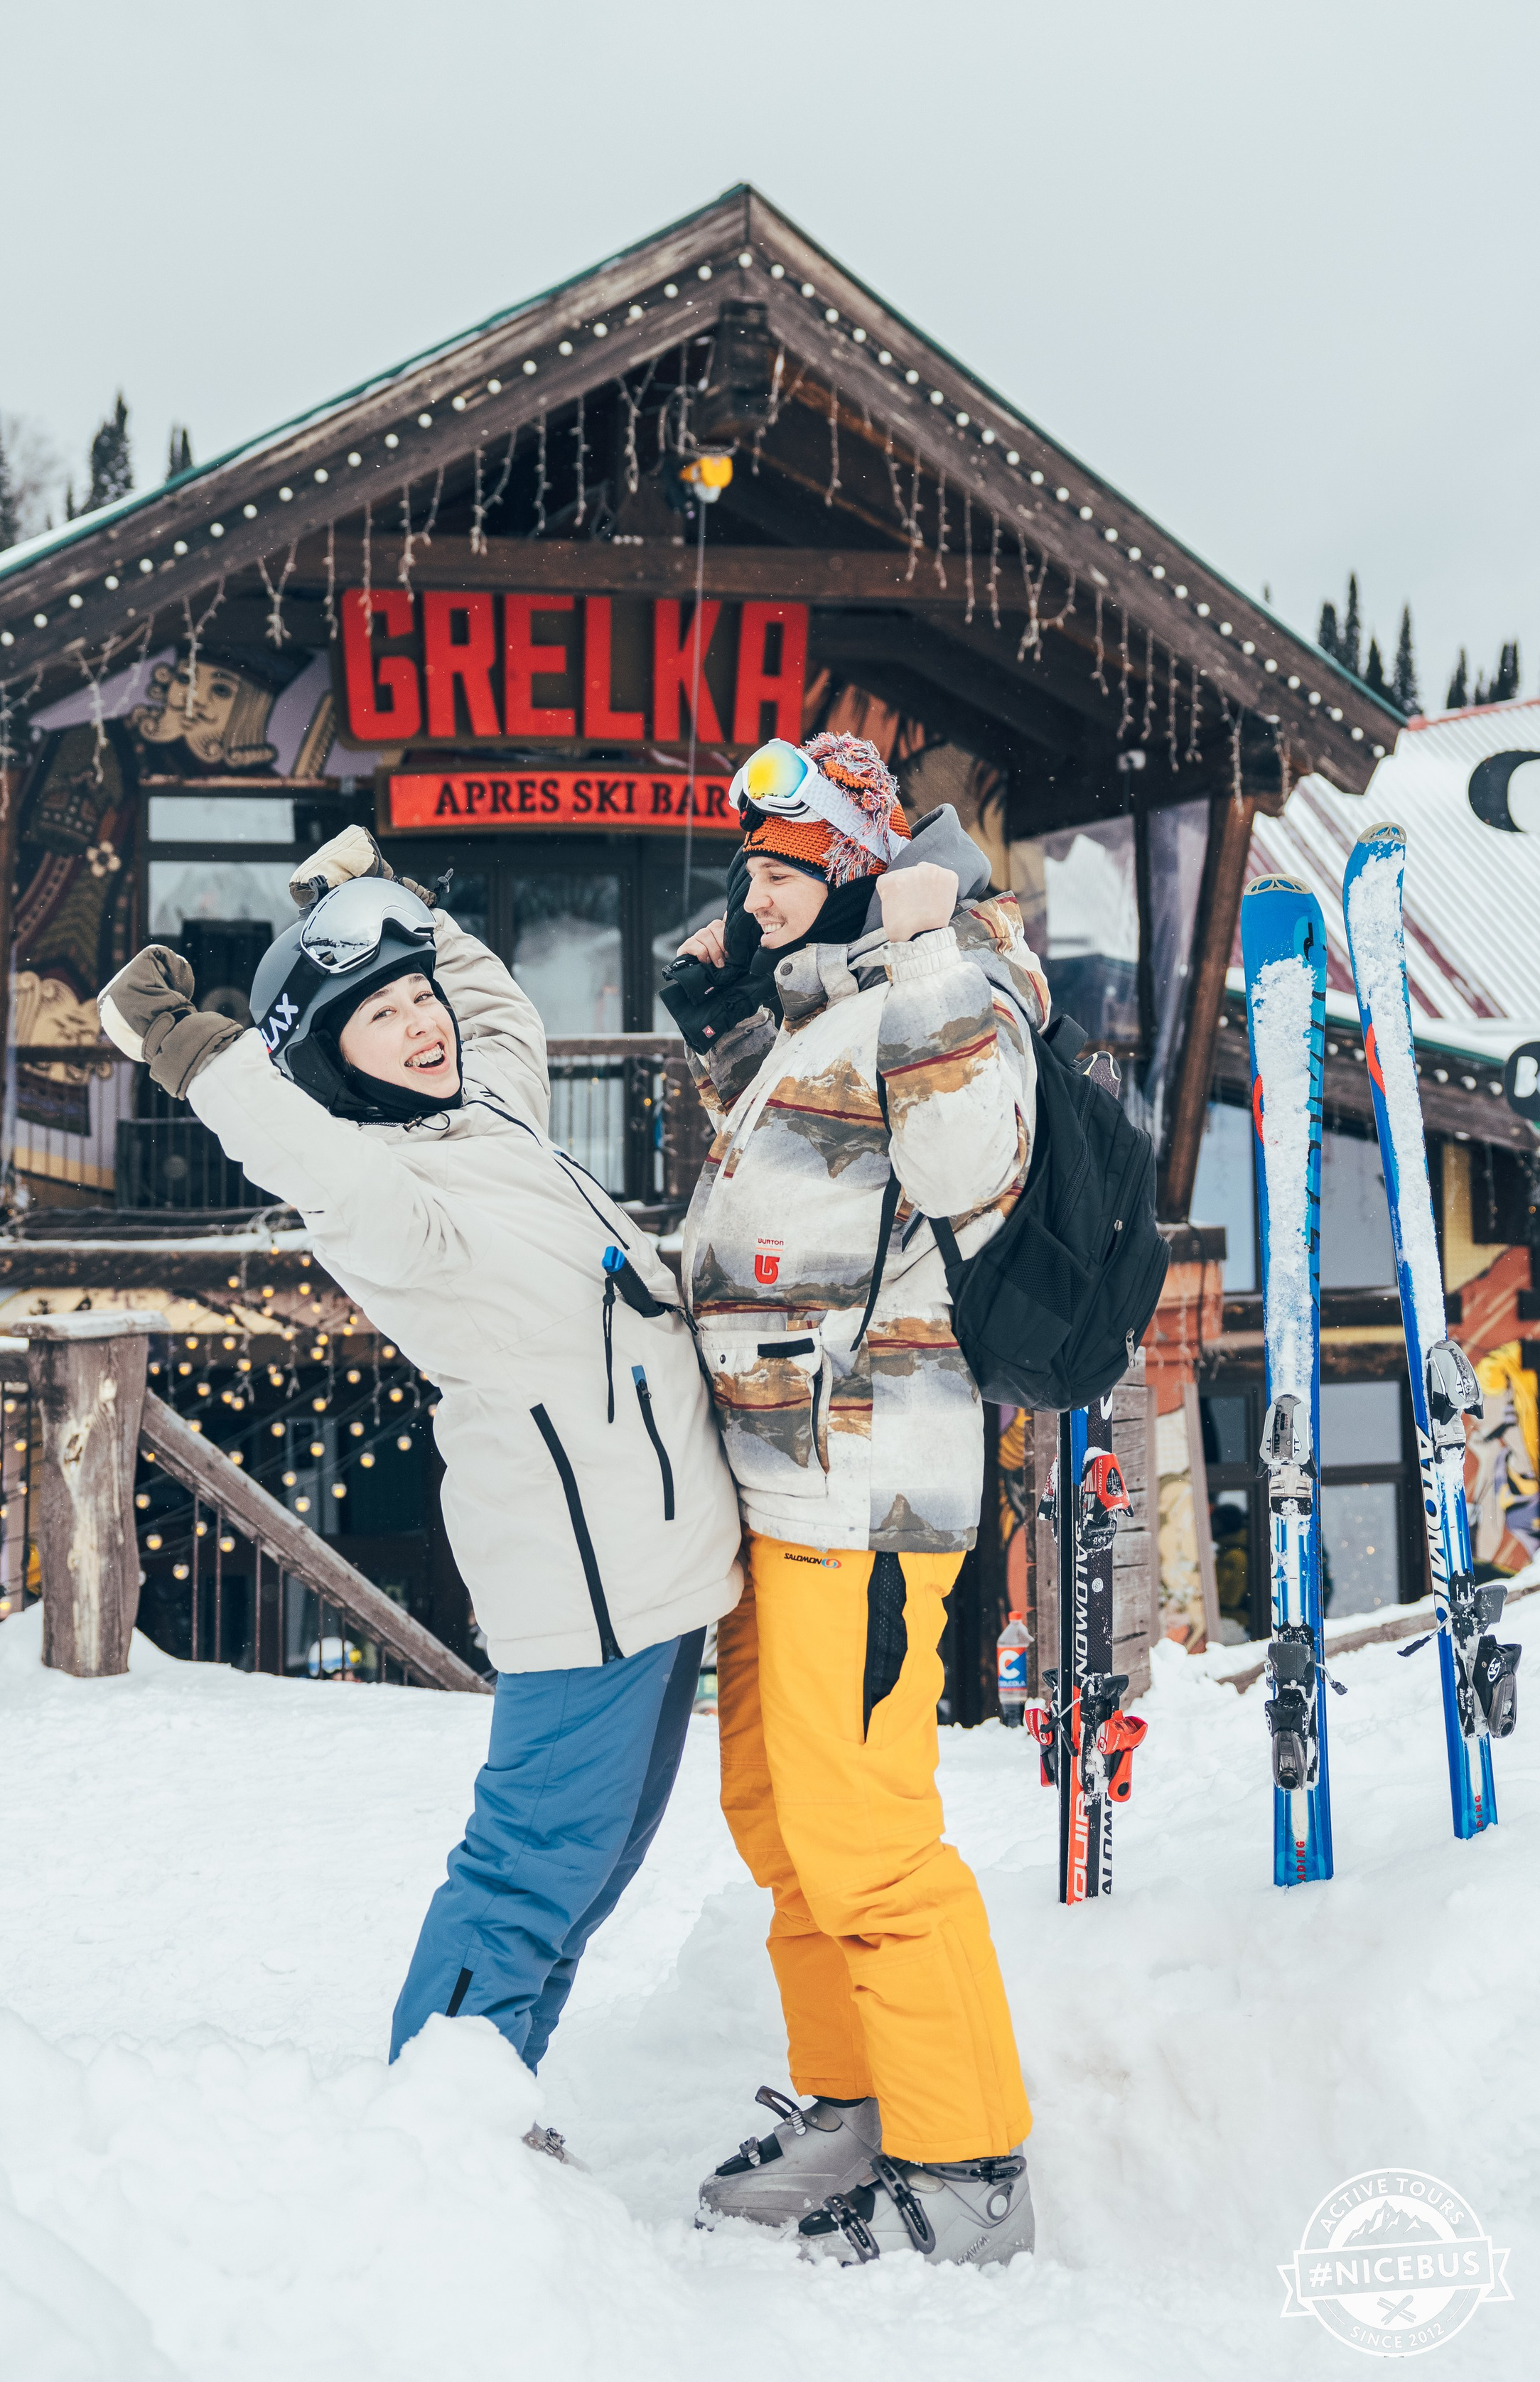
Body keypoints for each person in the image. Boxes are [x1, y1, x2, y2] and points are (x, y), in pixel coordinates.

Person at [99, 829, 742, 2119]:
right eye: (376, 1021)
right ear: (329, 1066)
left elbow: (497, 1007)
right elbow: (310, 1159)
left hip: (665, 1570)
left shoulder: (489, 1119)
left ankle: (493, 2108)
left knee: (596, 1866)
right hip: (591, 1589)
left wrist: (380, 901)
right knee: (529, 1873)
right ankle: (438, 2130)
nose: (418, 1026)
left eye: (413, 1002)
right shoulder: (394, 1203)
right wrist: (199, 1056)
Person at [660, 731, 1050, 2266]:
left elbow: (962, 1165)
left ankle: (964, 2164)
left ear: (863, 879)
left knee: (866, 1830)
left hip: (869, 1491)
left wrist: (929, 945)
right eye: (748, 874)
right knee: (778, 1817)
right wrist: (723, 1015)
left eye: (777, 877)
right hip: (779, 1484)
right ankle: (852, 2098)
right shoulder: (837, 1005)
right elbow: (813, 1183)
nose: (751, 902)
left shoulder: (950, 983)